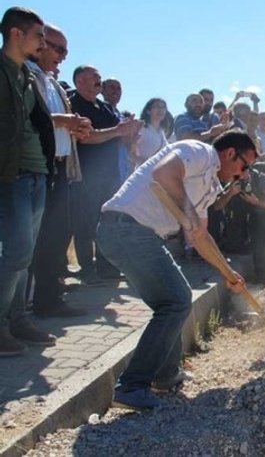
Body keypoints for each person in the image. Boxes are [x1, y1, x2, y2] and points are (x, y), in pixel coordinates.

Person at [96, 130, 256, 410]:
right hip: (125, 228)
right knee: (176, 300)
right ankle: (131, 387)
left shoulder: (208, 186)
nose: (243, 175)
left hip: (139, 235)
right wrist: (190, 215)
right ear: (230, 153)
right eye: (245, 166)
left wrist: (228, 274)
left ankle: (166, 375)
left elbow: (200, 236)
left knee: (173, 300)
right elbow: (163, 173)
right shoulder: (198, 152)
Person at [0, 6, 59, 355]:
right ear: (16, 34)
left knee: (25, 254)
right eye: (39, 36)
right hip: (12, 175)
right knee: (16, 254)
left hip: (37, 174)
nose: (43, 42)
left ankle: (18, 321)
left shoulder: (25, 75)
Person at [28, 23, 92, 318]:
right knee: (27, 243)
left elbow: (55, 122)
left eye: (66, 50)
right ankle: (19, 310)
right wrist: (64, 121)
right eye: (58, 48)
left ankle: (47, 301)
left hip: (61, 168)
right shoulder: (24, 77)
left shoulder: (53, 83)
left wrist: (74, 127)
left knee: (56, 238)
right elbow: (31, 117)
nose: (63, 56)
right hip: (34, 167)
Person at [70, 65, 142, 284]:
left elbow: (120, 138)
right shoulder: (73, 103)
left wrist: (131, 131)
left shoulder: (105, 108)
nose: (99, 81)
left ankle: (107, 268)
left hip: (112, 175)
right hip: (87, 174)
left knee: (107, 223)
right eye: (96, 77)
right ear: (80, 80)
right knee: (86, 224)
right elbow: (86, 137)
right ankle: (87, 270)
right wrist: (118, 131)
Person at [134, 98, 170, 168]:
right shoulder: (141, 128)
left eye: (163, 107)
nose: (161, 110)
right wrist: (147, 163)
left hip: (158, 174)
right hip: (143, 172)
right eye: (157, 106)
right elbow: (129, 153)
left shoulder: (162, 132)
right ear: (148, 111)